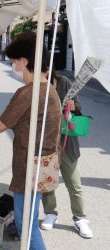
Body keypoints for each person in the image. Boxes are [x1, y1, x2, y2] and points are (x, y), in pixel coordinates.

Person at [0, 31, 62, 250]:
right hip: (41, 165)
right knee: (27, 223)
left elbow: (2, 125)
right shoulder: (47, 89)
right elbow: (6, 118)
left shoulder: (29, 92)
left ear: (24, 61)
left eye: (13, 60)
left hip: (30, 167)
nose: (12, 64)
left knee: (26, 227)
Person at [41, 72, 93, 238]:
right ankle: (51, 213)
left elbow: (78, 105)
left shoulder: (63, 82)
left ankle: (80, 218)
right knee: (47, 182)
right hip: (47, 143)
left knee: (74, 183)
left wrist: (73, 105)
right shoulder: (35, 86)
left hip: (67, 143)